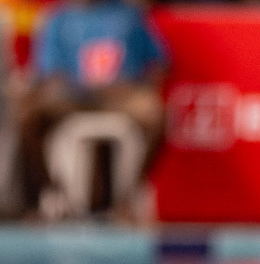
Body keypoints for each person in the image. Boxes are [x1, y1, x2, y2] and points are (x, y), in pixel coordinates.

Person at [17, 0, 168, 220]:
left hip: (120, 95)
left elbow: (160, 62)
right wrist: (71, 86)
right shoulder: (58, 19)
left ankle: (128, 197)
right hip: (72, 96)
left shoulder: (129, 16)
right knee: (28, 116)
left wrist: (140, 85)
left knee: (154, 113)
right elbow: (47, 74)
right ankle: (52, 193)